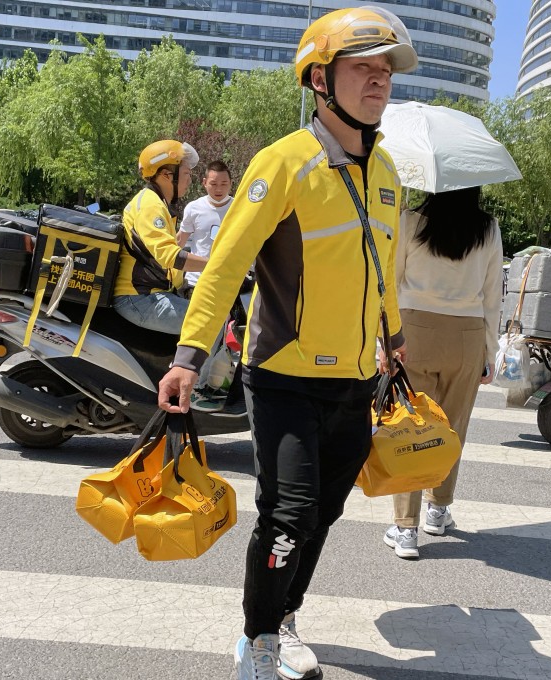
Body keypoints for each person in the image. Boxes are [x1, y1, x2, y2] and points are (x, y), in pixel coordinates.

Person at [156, 7, 417, 679]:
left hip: (357, 380)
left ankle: (286, 613)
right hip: (284, 374)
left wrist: (393, 337)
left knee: (323, 515)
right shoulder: (285, 162)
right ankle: (257, 641)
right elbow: (224, 266)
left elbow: (383, 269)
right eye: (363, 67)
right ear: (321, 80)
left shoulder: (386, 172)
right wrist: (189, 357)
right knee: (287, 516)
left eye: (386, 70)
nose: (379, 80)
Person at [382, 186, 503, 559]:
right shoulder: (488, 228)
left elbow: (391, 281)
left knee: (409, 426)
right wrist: (489, 349)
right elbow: (492, 294)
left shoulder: (411, 220)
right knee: (452, 425)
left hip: (414, 331)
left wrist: (383, 342)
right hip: (465, 334)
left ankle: (406, 529)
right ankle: (438, 508)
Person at [112, 140, 208, 334]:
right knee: (208, 322)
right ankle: (186, 366)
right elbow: (170, 256)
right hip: (139, 298)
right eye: (187, 173)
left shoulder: (158, 203)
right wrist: (218, 264)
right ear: (166, 175)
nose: (190, 179)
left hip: (152, 294)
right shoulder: (151, 206)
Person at [177, 160, 234, 291]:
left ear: (231, 183)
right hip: (197, 282)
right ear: (204, 183)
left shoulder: (240, 208)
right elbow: (180, 241)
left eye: (224, 184)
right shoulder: (193, 208)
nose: (218, 189)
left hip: (231, 281)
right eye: (213, 184)